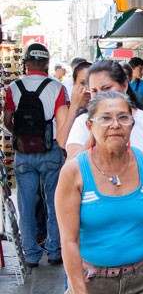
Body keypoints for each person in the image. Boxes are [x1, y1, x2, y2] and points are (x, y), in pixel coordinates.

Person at [55, 91, 143, 294]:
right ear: (90, 126)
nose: (115, 125)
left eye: (123, 117)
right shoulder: (74, 172)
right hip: (92, 282)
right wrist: (78, 289)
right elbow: (69, 241)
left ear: (132, 124)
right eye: (105, 118)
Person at [64, 60, 143, 195]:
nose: (100, 96)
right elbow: (69, 173)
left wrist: (139, 189)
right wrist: (94, 133)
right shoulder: (83, 124)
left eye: (106, 88)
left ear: (125, 86)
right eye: (94, 91)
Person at [3, 43, 68, 268]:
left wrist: (21, 137)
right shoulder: (57, 87)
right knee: (54, 202)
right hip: (51, 151)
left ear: (26, 62)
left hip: (23, 154)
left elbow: (7, 121)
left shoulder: (13, 87)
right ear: (47, 63)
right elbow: (63, 122)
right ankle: (54, 251)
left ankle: (31, 254)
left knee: (26, 204)